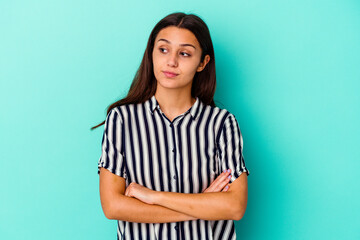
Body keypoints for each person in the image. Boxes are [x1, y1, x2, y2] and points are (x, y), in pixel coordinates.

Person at [92, 12, 250, 240]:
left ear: (202, 63)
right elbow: (113, 207)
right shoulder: (122, 120)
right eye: (163, 50)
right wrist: (203, 204)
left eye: (184, 53)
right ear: (151, 54)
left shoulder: (222, 124)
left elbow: (235, 206)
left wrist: (153, 196)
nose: (171, 61)